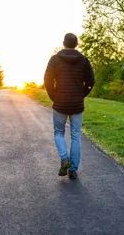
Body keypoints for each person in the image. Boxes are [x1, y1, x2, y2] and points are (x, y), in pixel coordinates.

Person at [44, 33, 95, 179]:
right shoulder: (84, 60)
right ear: (76, 44)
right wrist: (81, 94)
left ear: (64, 43)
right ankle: (73, 169)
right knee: (76, 136)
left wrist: (54, 96)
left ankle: (64, 158)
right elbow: (91, 82)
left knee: (58, 133)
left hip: (60, 103)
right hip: (77, 104)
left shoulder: (55, 59)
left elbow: (47, 81)